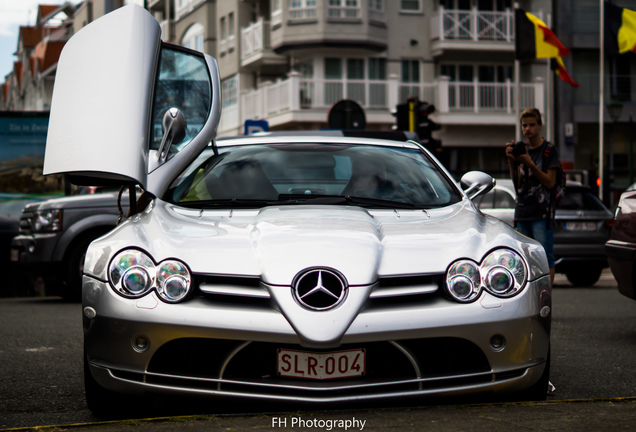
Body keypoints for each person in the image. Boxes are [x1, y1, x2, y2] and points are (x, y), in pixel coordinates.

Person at [505, 108, 561, 285]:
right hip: (523, 212)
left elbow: (550, 182)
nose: (527, 129)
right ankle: (530, 298)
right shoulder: (522, 150)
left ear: (540, 126)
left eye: (531, 125)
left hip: (541, 214)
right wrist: (512, 162)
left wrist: (530, 164)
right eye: (524, 125)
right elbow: (518, 185)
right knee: (525, 260)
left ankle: (545, 298)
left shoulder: (549, 150)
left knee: (545, 258)